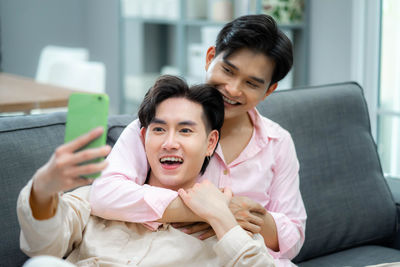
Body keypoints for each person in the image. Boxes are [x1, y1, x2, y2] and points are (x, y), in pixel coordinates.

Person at [90, 14, 307, 267]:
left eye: (251, 83)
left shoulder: (278, 142)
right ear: (209, 58)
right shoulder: (156, 128)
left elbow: (293, 238)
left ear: (269, 90)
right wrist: (210, 211)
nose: (233, 89)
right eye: (228, 70)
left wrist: (248, 220)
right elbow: (104, 194)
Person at [18, 76, 274, 266]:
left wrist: (220, 217)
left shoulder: (224, 223)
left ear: (210, 143)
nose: (169, 142)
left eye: (185, 130)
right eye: (159, 129)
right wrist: (43, 188)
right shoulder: (99, 198)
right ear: (143, 138)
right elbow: (42, 248)